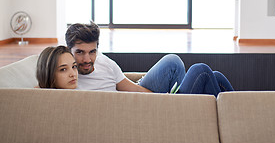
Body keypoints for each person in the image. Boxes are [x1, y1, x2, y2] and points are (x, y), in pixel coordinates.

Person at [65, 22, 233, 96]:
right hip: (132, 108)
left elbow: (133, 89)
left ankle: (228, 115)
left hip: (138, 96)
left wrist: (161, 99)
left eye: (92, 52)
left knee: (209, 74)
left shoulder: (103, 62)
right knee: (202, 71)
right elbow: (40, 85)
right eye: (80, 52)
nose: (87, 59)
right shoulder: (65, 75)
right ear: (68, 51)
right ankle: (232, 115)